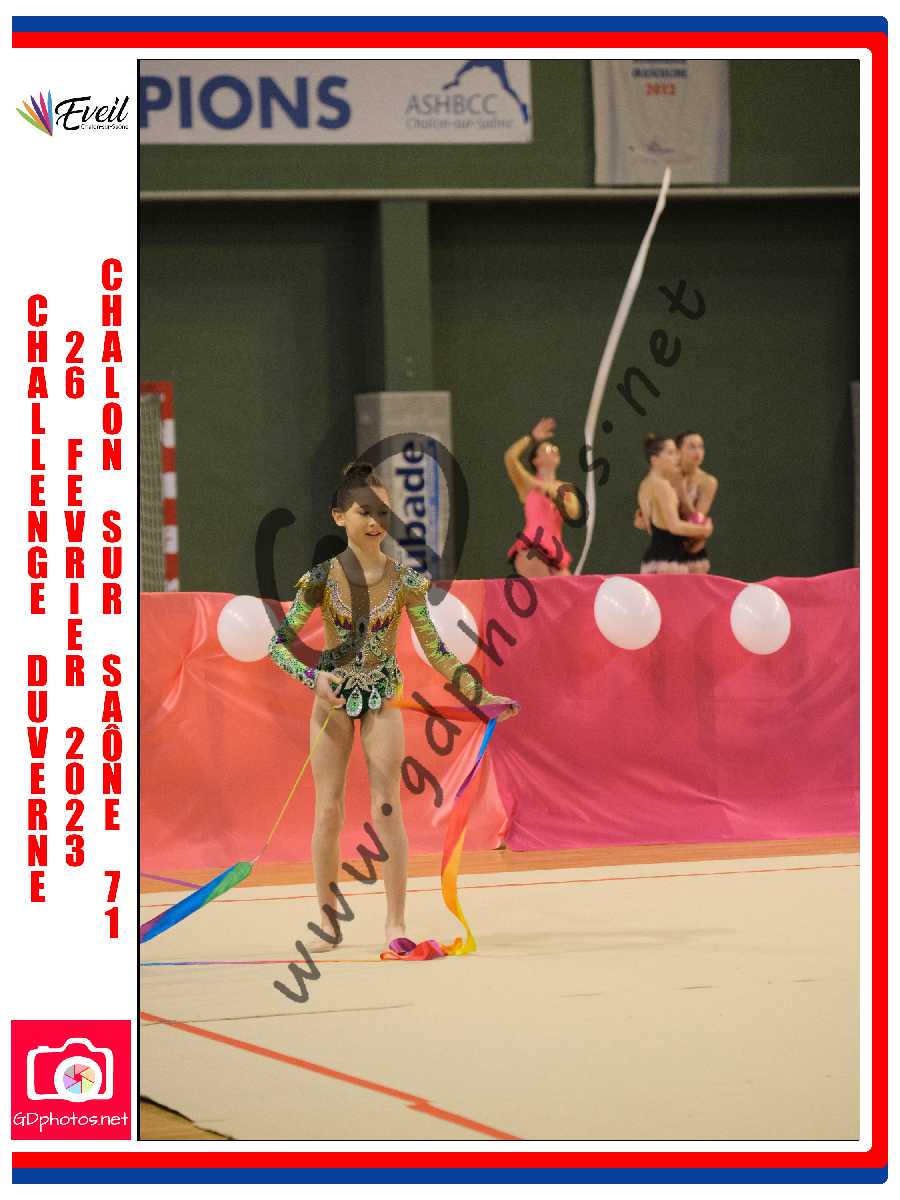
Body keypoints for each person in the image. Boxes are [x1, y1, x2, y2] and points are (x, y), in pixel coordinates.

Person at [268, 461, 519, 952]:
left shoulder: (405, 580)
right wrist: (315, 678)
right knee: (328, 810)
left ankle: (395, 923)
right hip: (332, 702)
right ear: (339, 516)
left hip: (381, 698)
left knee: (387, 807)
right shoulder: (320, 579)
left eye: (382, 511)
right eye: (364, 511)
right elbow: (278, 645)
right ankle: (327, 922)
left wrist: (480, 695)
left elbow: (438, 651)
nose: (375, 521)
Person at [505, 416, 582, 578]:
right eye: (547, 450)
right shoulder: (528, 484)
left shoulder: (565, 488)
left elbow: (573, 513)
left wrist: (550, 491)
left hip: (554, 553)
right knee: (545, 590)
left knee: (571, 591)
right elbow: (510, 457)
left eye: (555, 449)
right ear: (536, 460)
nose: (553, 451)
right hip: (532, 548)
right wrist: (532, 437)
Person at [635, 435, 713, 573]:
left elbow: (649, 525)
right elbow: (674, 526)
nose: (677, 457)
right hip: (668, 561)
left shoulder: (645, 484)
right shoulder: (662, 486)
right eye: (670, 453)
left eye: (676, 452)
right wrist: (705, 530)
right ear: (655, 460)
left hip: (656, 559)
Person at [675, 431, 719, 574]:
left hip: (693, 554)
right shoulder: (666, 477)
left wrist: (682, 495)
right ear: (678, 451)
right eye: (692, 447)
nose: (697, 452)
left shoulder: (708, 481)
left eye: (701, 447)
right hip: (665, 552)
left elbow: (696, 520)